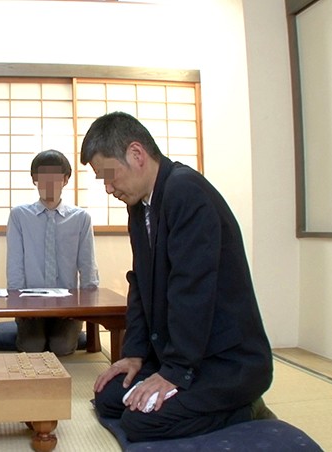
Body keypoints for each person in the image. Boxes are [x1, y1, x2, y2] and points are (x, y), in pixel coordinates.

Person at [82, 111, 274, 442]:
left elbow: (192, 290)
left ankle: (245, 407)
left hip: (223, 362)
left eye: (109, 176)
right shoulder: (140, 206)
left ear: (136, 154)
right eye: (103, 181)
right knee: (109, 398)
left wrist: (174, 372)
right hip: (179, 353)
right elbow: (140, 284)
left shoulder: (186, 191)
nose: (109, 188)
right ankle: (177, 383)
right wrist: (134, 354)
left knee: (140, 422)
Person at [6, 149, 99, 356]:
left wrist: (85, 308)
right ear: (34, 179)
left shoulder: (80, 218)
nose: (49, 182)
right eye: (43, 176)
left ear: (65, 180)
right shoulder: (19, 216)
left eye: (55, 176)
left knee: (62, 347)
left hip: (68, 305)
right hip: (30, 303)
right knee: (32, 348)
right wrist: (19, 305)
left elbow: (88, 265)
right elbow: (15, 265)